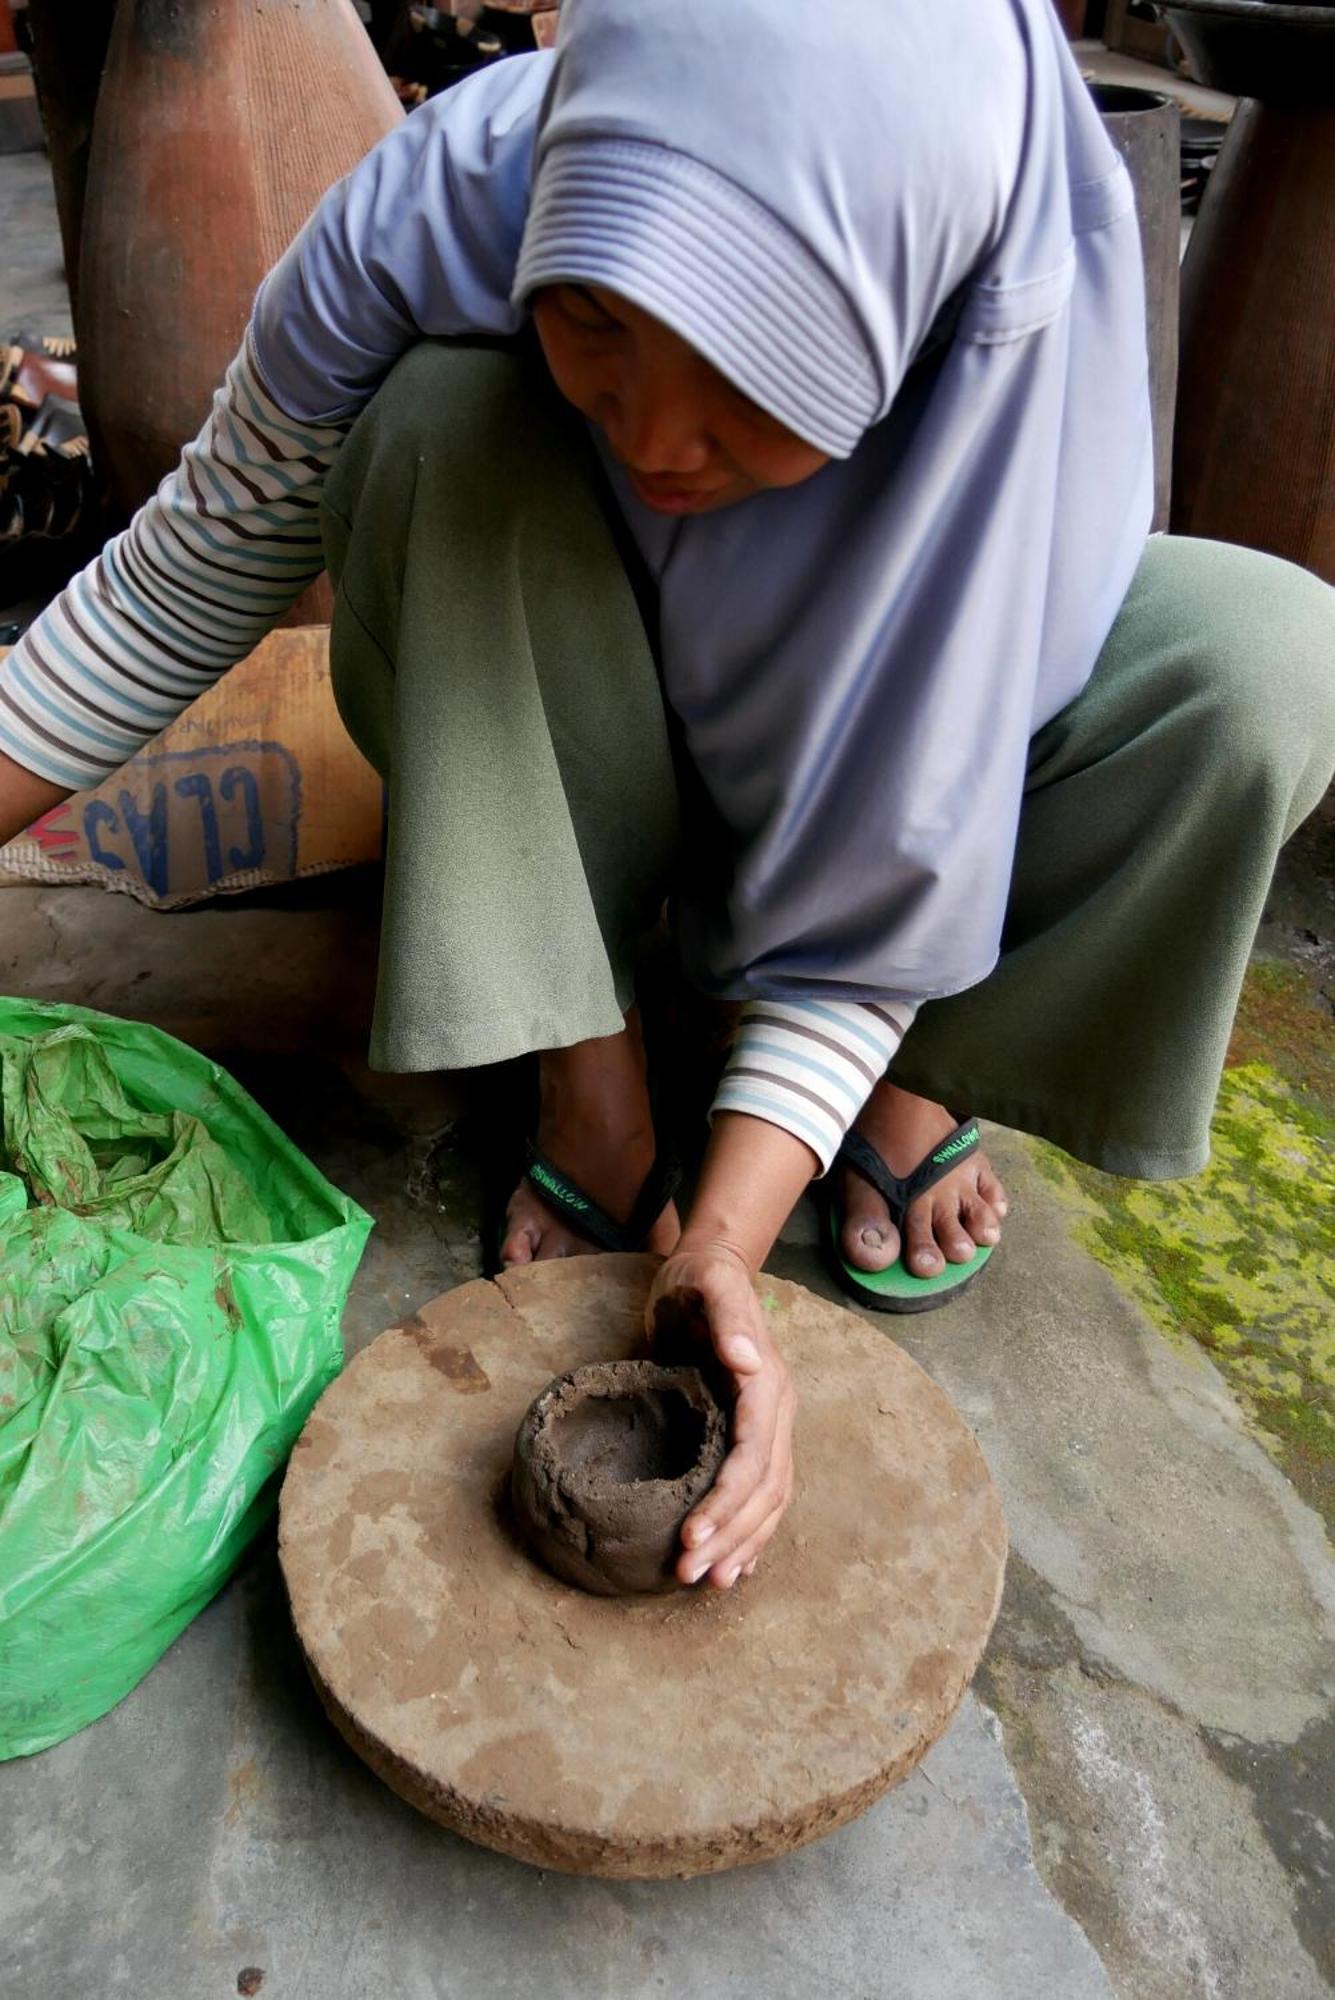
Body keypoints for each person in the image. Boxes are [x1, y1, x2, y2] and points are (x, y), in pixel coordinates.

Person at [2, 0, 1332, 1593]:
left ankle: (914, 1073)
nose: (655, 438)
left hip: (897, 791)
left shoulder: (1011, 353)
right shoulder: (476, 183)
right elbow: (190, 567)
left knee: (1270, 665)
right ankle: (595, 1084)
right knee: (441, 430)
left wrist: (723, 1245)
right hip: (595, 745)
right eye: (599, 330)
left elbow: (930, 813)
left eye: (751, 390)